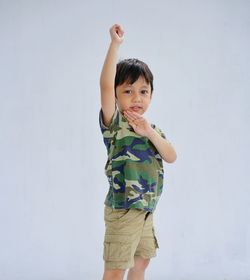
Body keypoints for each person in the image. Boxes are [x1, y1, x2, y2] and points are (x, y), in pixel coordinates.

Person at [99, 24, 177, 280]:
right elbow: (105, 85)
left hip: (146, 211)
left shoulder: (152, 129)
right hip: (123, 209)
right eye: (128, 91)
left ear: (151, 95)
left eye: (143, 92)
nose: (136, 98)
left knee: (141, 264)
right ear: (117, 96)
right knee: (115, 269)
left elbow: (171, 155)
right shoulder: (116, 123)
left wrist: (150, 133)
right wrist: (115, 44)